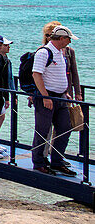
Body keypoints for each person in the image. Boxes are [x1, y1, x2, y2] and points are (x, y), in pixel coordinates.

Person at [31, 26, 79, 175]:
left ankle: (57, 162)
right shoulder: (44, 52)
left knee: (65, 127)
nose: (70, 41)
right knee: (43, 130)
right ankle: (38, 162)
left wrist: (66, 91)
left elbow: (61, 74)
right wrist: (45, 96)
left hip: (61, 96)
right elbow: (36, 74)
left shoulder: (60, 52)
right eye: (68, 39)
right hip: (47, 97)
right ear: (61, 38)